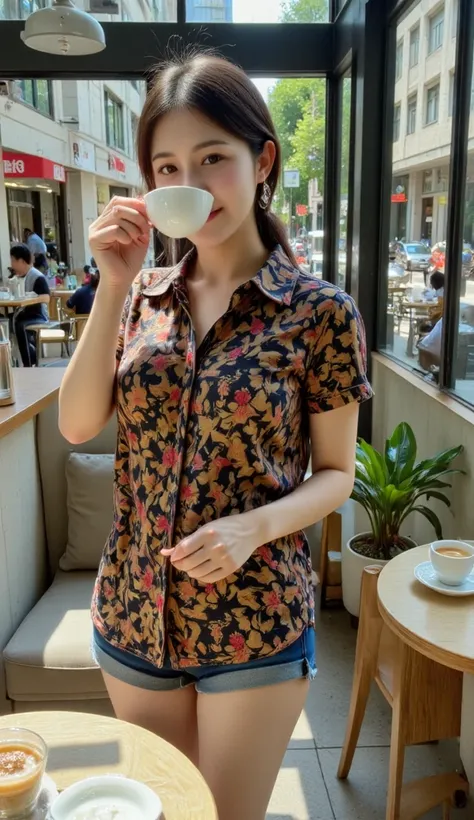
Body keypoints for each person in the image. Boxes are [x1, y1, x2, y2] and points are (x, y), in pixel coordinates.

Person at [58, 53, 373, 820]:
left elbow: (337, 473)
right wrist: (113, 283)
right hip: (135, 612)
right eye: (167, 166)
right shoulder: (143, 299)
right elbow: (76, 422)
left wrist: (251, 528)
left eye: (212, 159)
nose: (189, 183)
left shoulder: (320, 313)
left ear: (261, 160)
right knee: (160, 812)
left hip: (254, 619)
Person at [10, 243, 50, 367]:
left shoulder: (37, 277)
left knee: (20, 326)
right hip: (21, 313)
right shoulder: (16, 277)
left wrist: (30, 299)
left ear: (21, 261)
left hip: (37, 315)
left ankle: (29, 363)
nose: (11, 264)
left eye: (13, 260)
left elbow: (46, 298)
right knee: (6, 321)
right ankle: (11, 361)